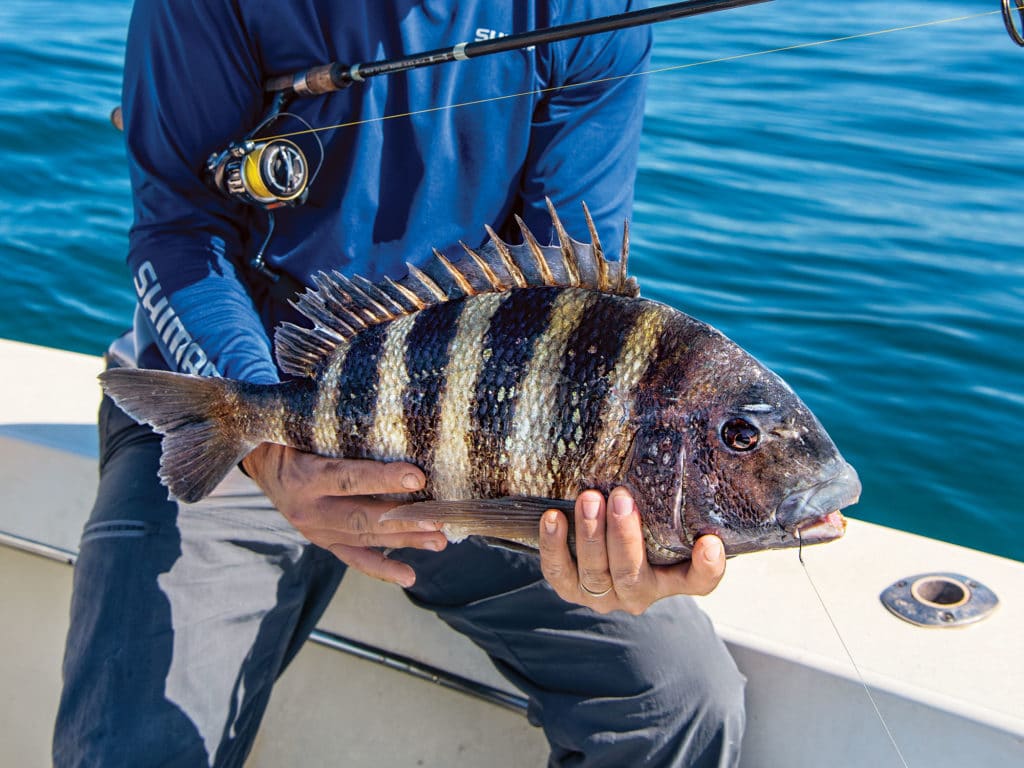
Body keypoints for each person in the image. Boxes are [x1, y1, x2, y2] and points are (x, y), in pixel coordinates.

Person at [55, 2, 746, 766]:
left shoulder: (590, 12)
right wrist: (267, 445)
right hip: (233, 408)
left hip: (486, 443)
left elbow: (571, 307)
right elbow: (176, 232)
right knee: (132, 748)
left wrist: (623, 536)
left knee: (679, 702)